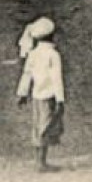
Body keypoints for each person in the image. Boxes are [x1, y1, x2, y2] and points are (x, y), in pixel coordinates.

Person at [16, 17, 65, 173]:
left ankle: (39, 160)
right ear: (51, 36)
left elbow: (26, 74)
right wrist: (60, 99)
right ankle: (41, 163)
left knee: (38, 127)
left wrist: (22, 93)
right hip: (49, 96)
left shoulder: (33, 54)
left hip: (37, 95)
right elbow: (57, 78)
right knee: (46, 127)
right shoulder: (53, 54)